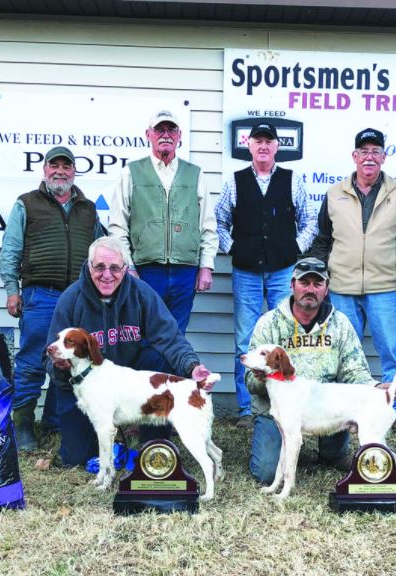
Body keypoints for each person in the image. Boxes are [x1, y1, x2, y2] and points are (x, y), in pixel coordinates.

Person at [46, 236, 216, 467]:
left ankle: (155, 444)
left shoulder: (141, 293)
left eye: (115, 268)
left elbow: (170, 337)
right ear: (89, 266)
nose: (107, 275)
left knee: (160, 358)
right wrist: (60, 367)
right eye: (100, 267)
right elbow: (49, 354)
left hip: (128, 378)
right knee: (76, 459)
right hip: (86, 384)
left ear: (125, 268)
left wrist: (192, 366)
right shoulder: (71, 299)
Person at [244, 257, 396, 484]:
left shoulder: (340, 323)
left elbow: (354, 370)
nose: (310, 289)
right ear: (292, 285)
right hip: (276, 409)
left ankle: (333, 453)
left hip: (326, 407)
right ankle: (290, 452)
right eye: (304, 283)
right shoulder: (269, 323)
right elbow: (250, 381)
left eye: (317, 284)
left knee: (336, 458)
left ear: (326, 289)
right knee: (265, 473)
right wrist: (263, 378)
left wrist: (375, 387)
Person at [307, 127, 396, 433]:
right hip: (341, 287)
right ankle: (346, 413)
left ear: (384, 157)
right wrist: (320, 279)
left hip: (384, 287)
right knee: (343, 354)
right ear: (354, 156)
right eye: (364, 151)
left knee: (392, 350)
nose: (370, 157)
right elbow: (322, 240)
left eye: (375, 151)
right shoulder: (334, 194)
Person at [215, 121, 318, 429]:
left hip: (282, 270)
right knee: (245, 341)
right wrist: (233, 247)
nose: (263, 146)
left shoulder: (292, 180)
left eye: (268, 141)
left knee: (286, 336)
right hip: (245, 271)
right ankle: (247, 409)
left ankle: (285, 402)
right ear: (249, 145)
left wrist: (295, 247)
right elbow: (219, 222)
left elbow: (310, 221)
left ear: (276, 146)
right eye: (257, 141)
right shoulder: (234, 182)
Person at [0, 145, 100, 452]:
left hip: (78, 297)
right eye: (54, 166)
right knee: (32, 361)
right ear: (44, 170)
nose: (60, 171)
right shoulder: (26, 203)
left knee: (70, 359)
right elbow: (11, 249)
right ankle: (23, 425)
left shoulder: (88, 209)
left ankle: (55, 421)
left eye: (66, 166)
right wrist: (12, 290)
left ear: (74, 171)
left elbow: (99, 251)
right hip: (39, 295)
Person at [108, 109, 219, 337]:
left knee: (176, 335)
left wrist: (206, 266)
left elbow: (208, 225)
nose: (165, 135)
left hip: (185, 270)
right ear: (148, 134)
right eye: (159, 130)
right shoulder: (131, 173)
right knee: (143, 333)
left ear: (180, 136)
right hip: (145, 270)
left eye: (171, 130)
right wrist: (128, 267)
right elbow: (118, 226)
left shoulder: (195, 174)